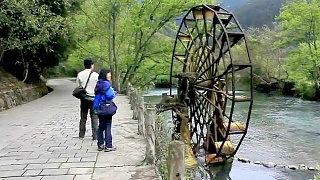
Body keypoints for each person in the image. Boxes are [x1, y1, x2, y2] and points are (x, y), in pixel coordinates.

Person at [93, 68, 117, 152]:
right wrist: (114, 92)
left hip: (99, 107)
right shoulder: (106, 84)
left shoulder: (98, 83)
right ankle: (108, 145)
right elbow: (110, 95)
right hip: (106, 107)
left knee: (101, 126)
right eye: (109, 73)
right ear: (105, 74)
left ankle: (100, 144)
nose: (110, 75)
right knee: (107, 125)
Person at [75, 59, 99, 140]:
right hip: (93, 99)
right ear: (91, 65)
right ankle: (95, 135)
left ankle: (81, 134)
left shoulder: (80, 74)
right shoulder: (96, 75)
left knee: (83, 117)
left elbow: (78, 87)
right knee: (94, 117)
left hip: (84, 99)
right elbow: (98, 86)